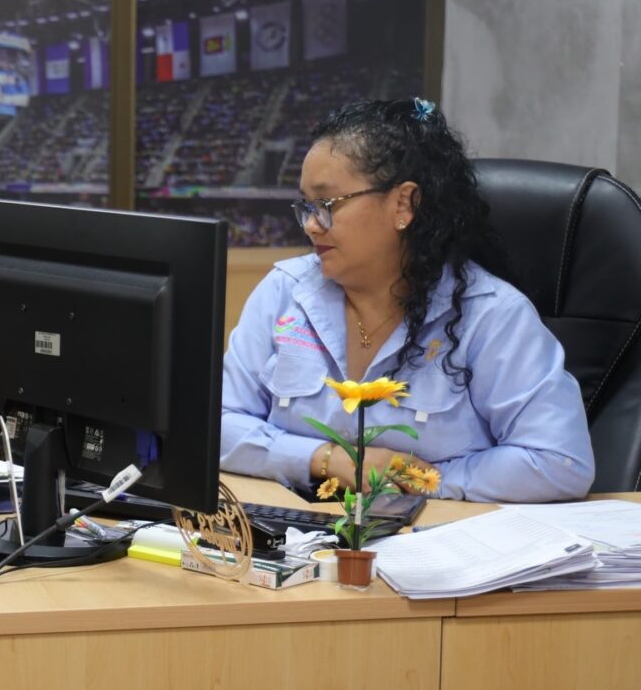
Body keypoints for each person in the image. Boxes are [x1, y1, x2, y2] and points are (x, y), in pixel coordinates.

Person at [220, 98, 594, 503]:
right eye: (307, 206)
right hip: (295, 528)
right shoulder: (285, 291)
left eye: (327, 205)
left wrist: (421, 480)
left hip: (431, 534)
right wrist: (328, 459)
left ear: (403, 203)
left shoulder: (490, 315)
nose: (311, 224)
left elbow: (559, 462)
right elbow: (217, 422)